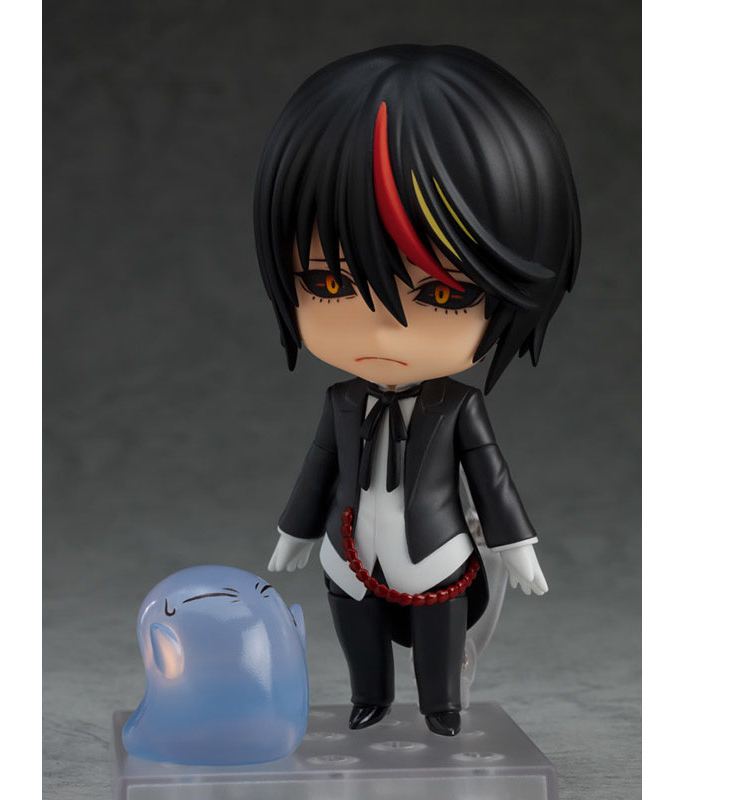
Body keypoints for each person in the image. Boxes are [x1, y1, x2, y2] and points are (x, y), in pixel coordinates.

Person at [253, 45, 581, 736]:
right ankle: (369, 697)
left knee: (439, 640)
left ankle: (441, 707)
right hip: (348, 552)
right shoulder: (341, 401)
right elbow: (319, 467)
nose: (386, 330)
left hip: (438, 552)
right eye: (331, 283)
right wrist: (294, 532)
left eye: (443, 294)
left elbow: (489, 475)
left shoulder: (459, 405)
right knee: (356, 628)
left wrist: (515, 544)